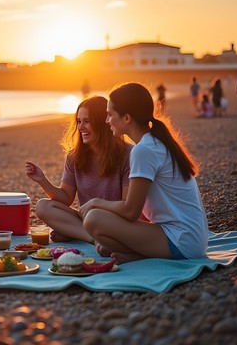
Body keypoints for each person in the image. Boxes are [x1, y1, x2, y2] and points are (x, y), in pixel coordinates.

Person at [82, 82, 208, 263]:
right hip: (192, 239)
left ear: (126, 118)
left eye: (110, 115)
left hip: (182, 241)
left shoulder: (143, 150)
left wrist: (95, 202)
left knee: (93, 219)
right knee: (104, 246)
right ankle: (139, 253)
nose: (106, 120)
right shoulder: (155, 142)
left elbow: (131, 211)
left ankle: (142, 254)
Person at [25, 96, 132, 243]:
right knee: (43, 206)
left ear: (104, 122)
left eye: (87, 122)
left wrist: (96, 206)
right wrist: (42, 180)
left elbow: (128, 206)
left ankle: (77, 233)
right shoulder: (74, 156)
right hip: (88, 219)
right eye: (79, 121)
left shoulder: (128, 154)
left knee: (93, 219)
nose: (80, 127)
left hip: (116, 221)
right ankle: (93, 238)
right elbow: (66, 198)